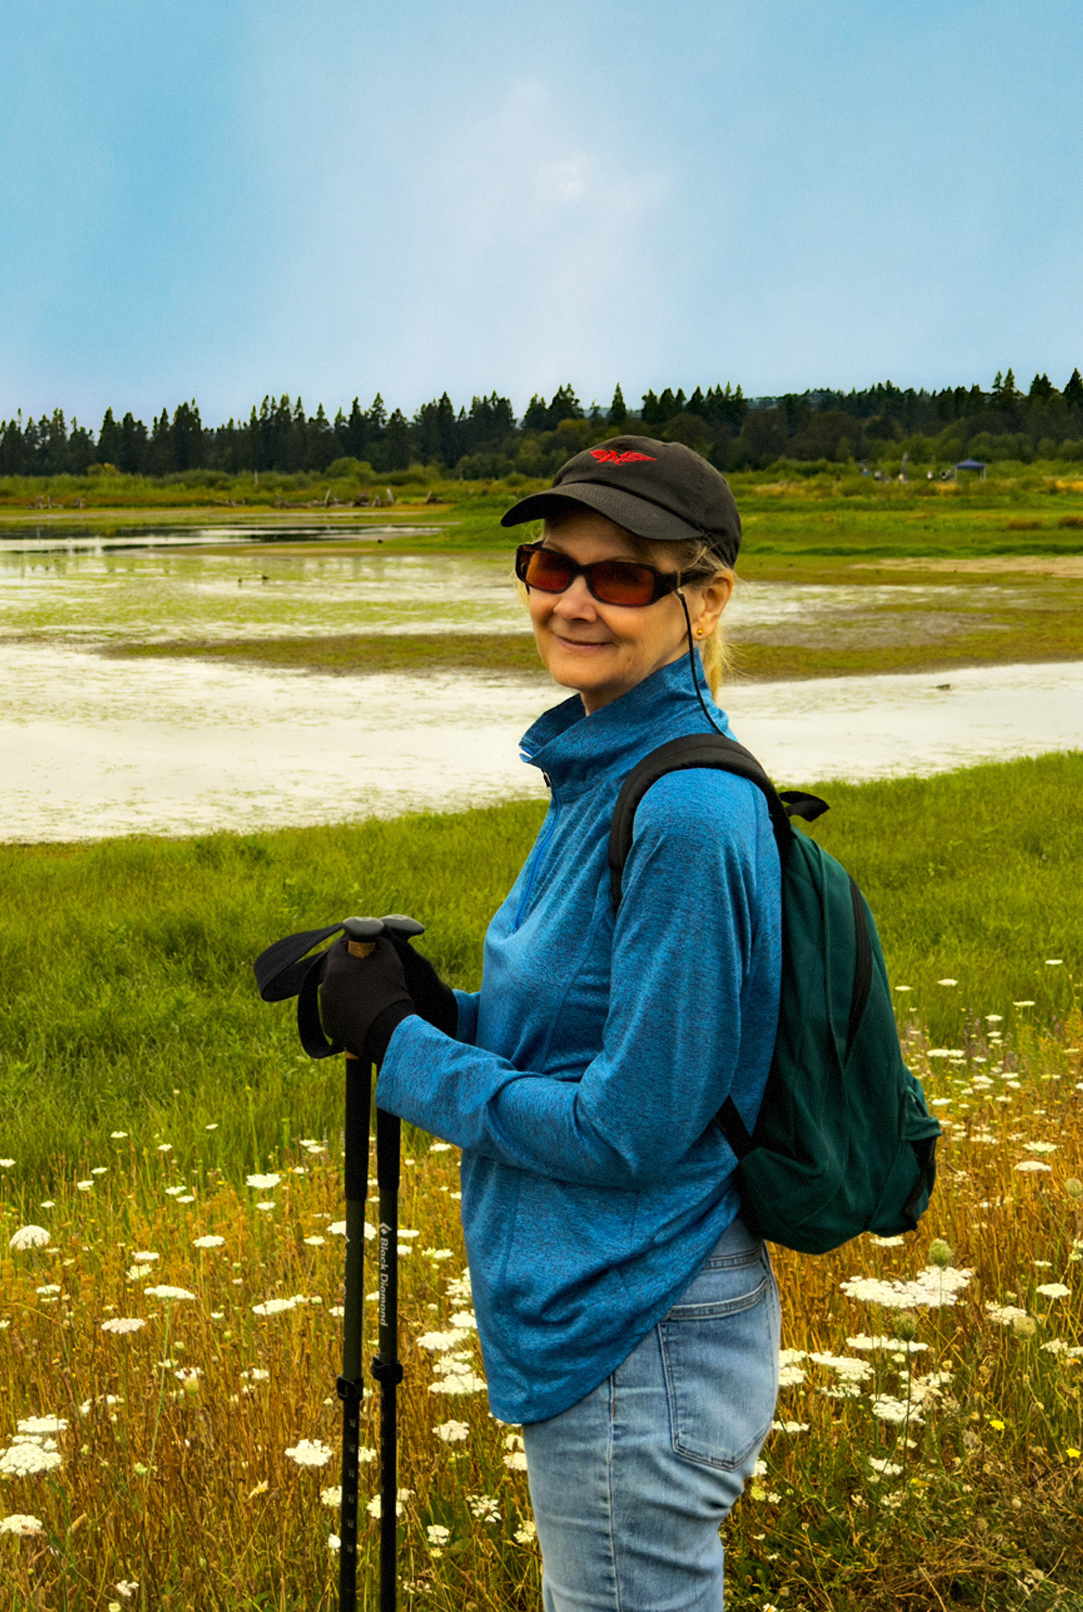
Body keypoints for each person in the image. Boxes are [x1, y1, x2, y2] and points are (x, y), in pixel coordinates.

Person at [317, 436, 783, 1611]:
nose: (572, 599)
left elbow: (631, 1128)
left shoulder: (685, 809)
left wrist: (402, 1050)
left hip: (640, 1319)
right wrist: (437, 1008)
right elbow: (578, 1037)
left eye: (621, 576)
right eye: (549, 564)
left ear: (704, 595)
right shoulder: (603, 765)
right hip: (612, 1308)